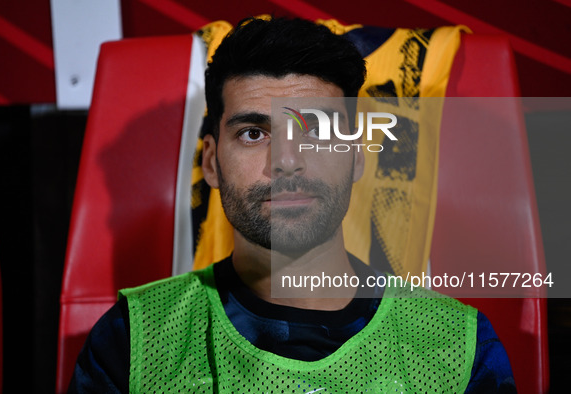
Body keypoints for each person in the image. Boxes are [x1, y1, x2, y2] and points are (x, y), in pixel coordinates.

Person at [69, 17, 516, 393]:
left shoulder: (460, 350)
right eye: (253, 133)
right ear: (210, 161)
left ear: (357, 156)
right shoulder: (133, 342)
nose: (286, 162)